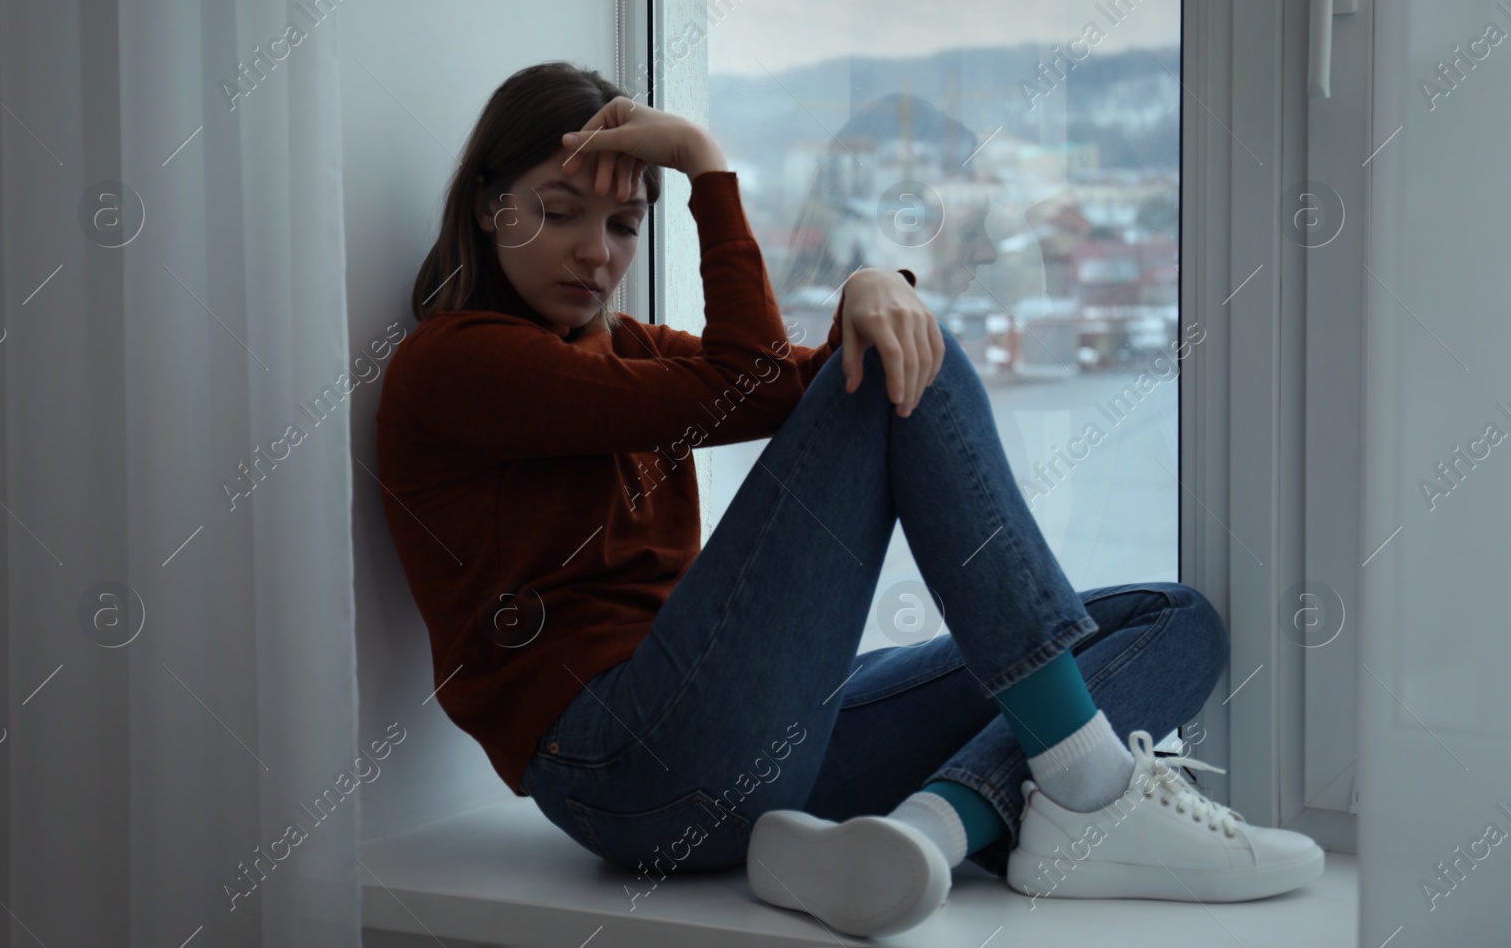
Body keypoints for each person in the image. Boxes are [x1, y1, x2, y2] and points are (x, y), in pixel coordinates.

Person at [374, 61, 1325, 939]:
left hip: (737, 743)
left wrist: (878, 284)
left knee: (1172, 620)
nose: (594, 251)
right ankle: (1088, 791)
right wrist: (707, 167)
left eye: (622, 224)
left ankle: (927, 835)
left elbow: (808, 379)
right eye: (557, 210)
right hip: (626, 769)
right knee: (916, 363)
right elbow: (756, 378)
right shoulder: (455, 364)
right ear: (490, 205)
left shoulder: (616, 352)